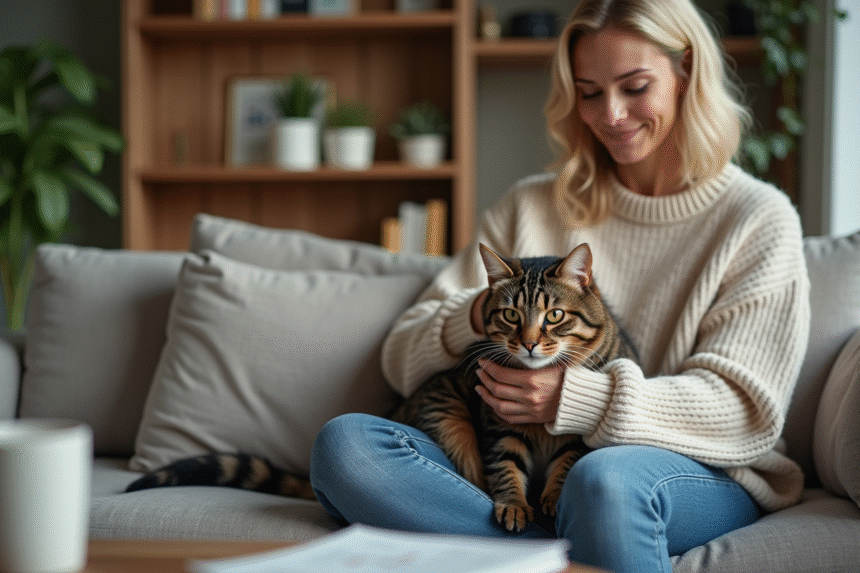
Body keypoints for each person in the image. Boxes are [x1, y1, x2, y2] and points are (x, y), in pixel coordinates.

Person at [309, 0, 811, 570]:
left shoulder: (758, 218)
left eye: (635, 86)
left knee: (604, 481)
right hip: (522, 473)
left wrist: (575, 399)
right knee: (346, 447)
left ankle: (514, 550)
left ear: (687, 73)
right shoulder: (530, 204)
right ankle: (542, 550)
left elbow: (745, 411)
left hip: (692, 467)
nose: (612, 114)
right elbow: (402, 358)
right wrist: (479, 315)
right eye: (590, 93)